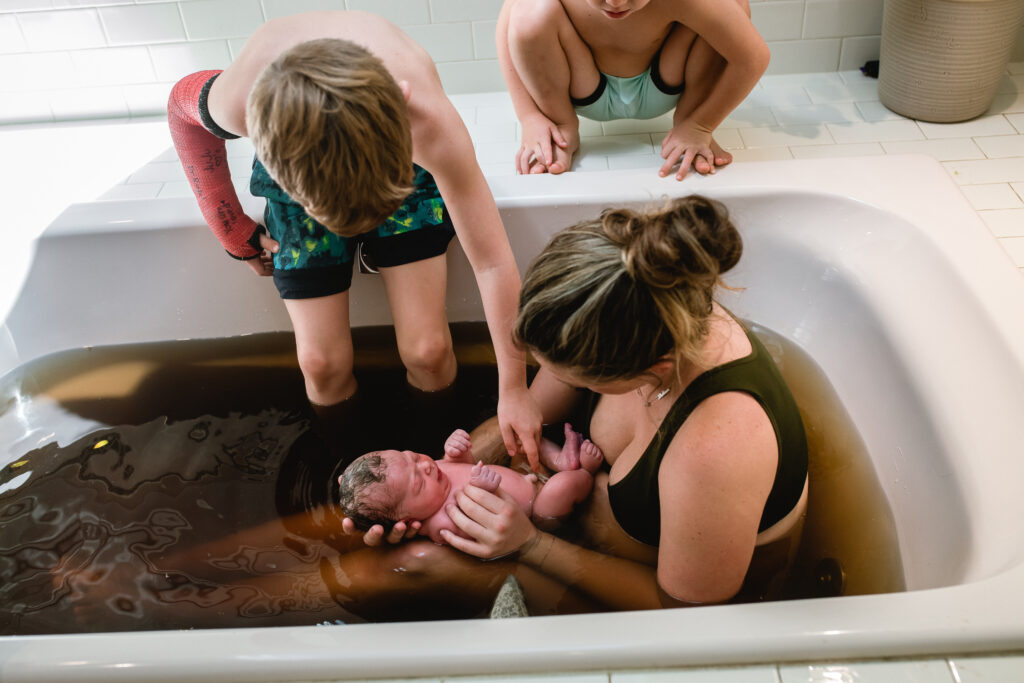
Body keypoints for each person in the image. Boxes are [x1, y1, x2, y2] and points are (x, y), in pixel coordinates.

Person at [167, 11, 541, 464]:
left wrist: (515, 389)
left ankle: (439, 465)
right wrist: (228, 227)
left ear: (400, 105)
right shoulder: (243, 99)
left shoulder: (424, 120)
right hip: (301, 166)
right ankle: (348, 473)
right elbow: (180, 107)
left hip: (398, 164)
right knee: (320, 365)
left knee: (428, 352)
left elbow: (493, 263)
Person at [431, 195, 809, 608]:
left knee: (395, 569)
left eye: (570, 374)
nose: (549, 377)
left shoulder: (718, 447)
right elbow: (533, 411)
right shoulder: (636, 301)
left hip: (664, 594)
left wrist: (530, 545)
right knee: (368, 533)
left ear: (653, 369)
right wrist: (444, 471)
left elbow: (684, 610)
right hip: (571, 520)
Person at [496, 0, 770, 179]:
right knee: (528, 12)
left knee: (733, 8)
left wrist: (702, 124)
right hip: (580, 83)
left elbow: (752, 57)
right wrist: (529, 116)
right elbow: (509, 25)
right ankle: (561, 127)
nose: (616, 2)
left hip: (667, 80)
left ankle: (689, 124)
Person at [339, 425, 603, 544]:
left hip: (524, 478)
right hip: (539, 511)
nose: (426, 466)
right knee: (559, 489)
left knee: (521, 440)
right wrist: (482, 491)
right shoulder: (441, 524)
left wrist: (457, 454)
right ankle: (584, 472)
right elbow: (480, 525)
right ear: (408, 521)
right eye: (418, 483)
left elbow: (463, 468)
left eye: (413, 457)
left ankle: (561, 460)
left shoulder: (433, 474)